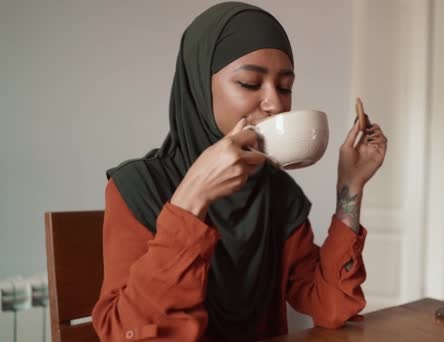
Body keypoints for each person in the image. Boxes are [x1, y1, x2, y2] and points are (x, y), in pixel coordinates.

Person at [92, 2, 387, 341]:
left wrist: (350, 186)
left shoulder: (277, 192)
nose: (275, 104)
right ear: (199, 88)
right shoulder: (138, 189)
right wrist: (191, 199)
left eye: (285, 86)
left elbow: (331, 304)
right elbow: (124, 333)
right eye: (249, 83)